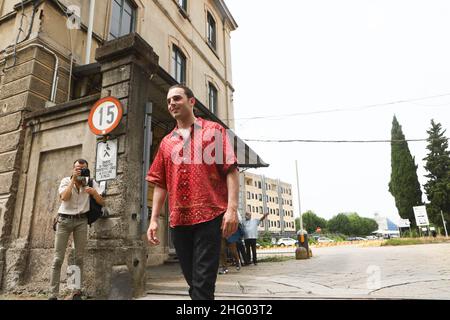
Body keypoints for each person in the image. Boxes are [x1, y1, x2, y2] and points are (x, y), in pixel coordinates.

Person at [146, 84, 239, 300]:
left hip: (210, 216)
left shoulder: (213, 131)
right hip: (178, 221)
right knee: (193, 282)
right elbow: (160, 183)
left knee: (203, 283)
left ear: (191, 101)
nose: (171, 104)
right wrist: (153, 219)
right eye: (169, 101)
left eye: (177, 98)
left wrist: (232, 209)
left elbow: (231, 170)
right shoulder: (166, 143)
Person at [49, 159, 104, 300]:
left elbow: (102, 202)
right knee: (57, 259)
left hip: (81, 221)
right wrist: (73, 180)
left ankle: (76, 292)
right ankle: (53, 294)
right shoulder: (66, 181)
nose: (80, 171)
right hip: (64, 221)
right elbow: (64, 198)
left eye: (83, 168)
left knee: (78, 258)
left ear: (87, 169)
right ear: (73, 169)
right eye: (77, 168)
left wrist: (94, 193)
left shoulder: (91, 182)